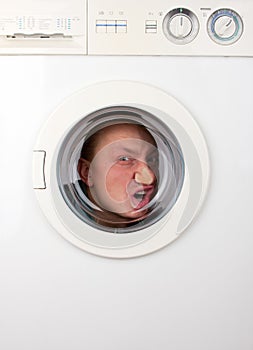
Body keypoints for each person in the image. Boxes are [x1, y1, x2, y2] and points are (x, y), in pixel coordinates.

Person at [77, 122, 159, 227]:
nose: (150, 178)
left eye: (152, 159)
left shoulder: (167, 223)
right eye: (124, 159)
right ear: (87, 172)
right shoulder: (56, 219)